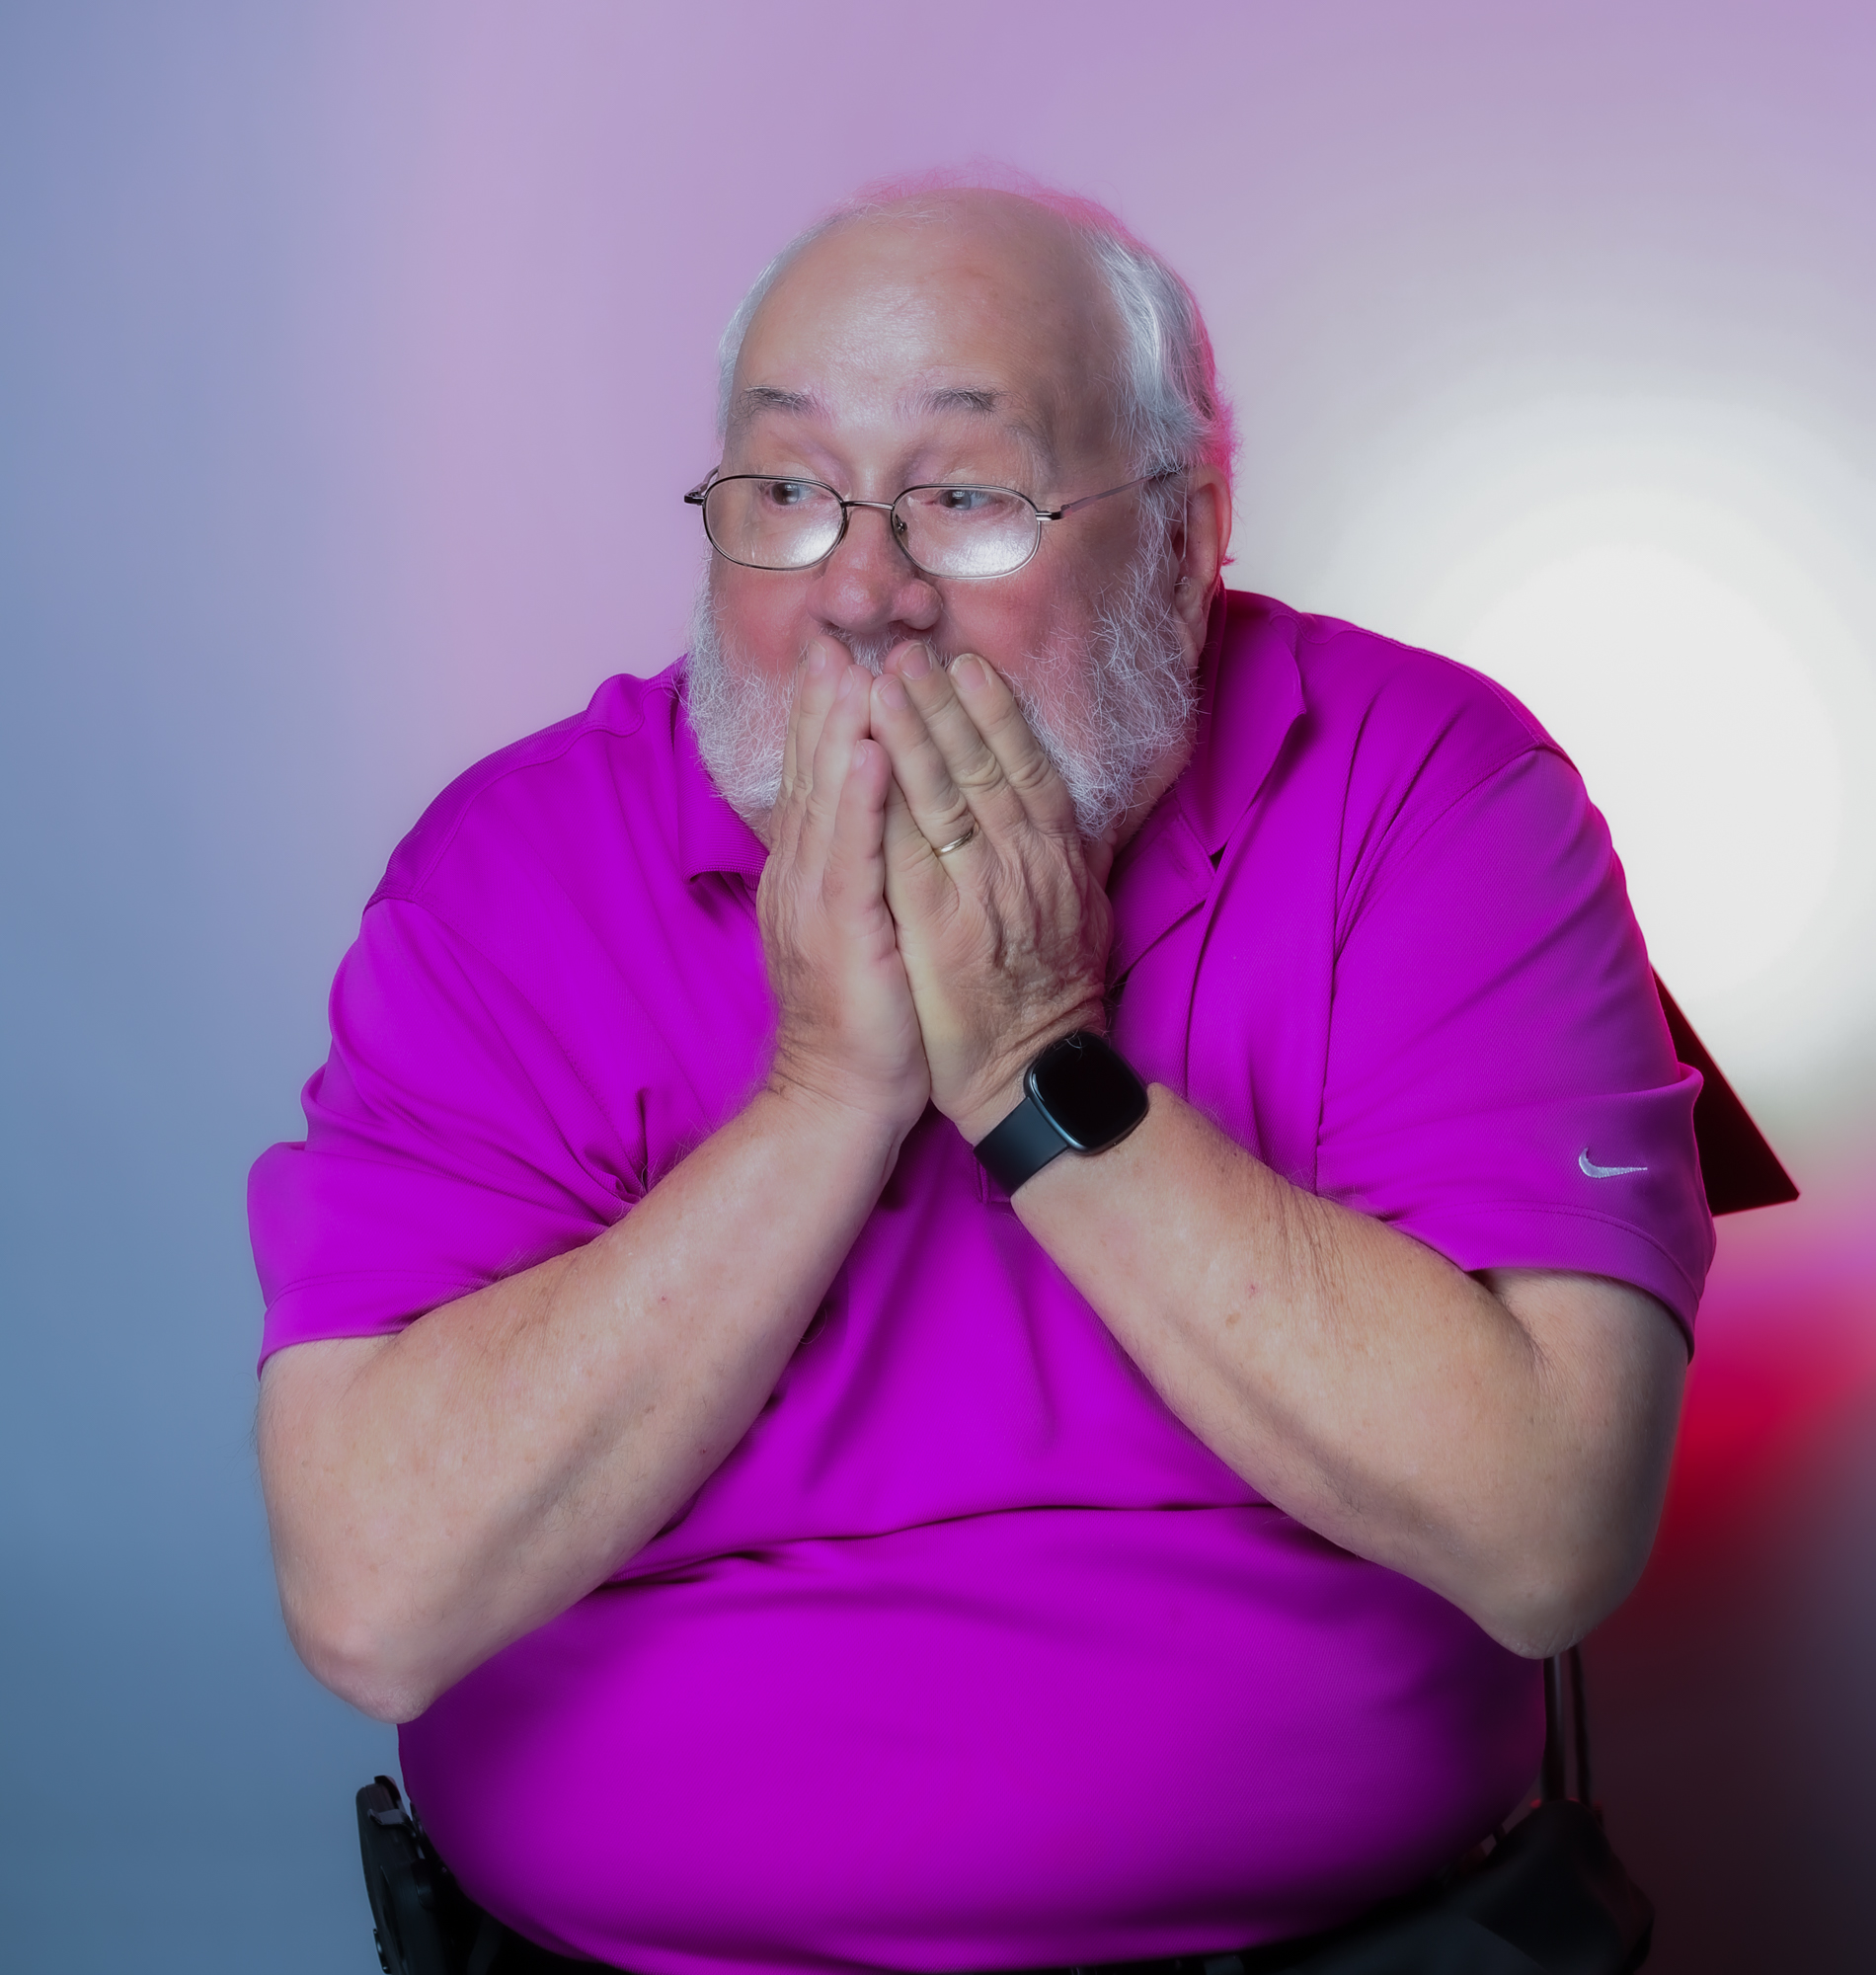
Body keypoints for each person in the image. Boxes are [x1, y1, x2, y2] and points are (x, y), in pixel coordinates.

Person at [251, 177, 1712, 1975]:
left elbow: (1549, 1528)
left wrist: (1032, 1064)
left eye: (967, 498)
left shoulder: (1428, 795)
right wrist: (822, 1099)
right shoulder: (510, 871)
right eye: (786, 494)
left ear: (1183, 535)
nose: (865, 598)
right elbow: (374, 1601)